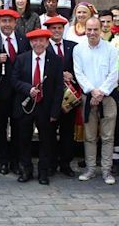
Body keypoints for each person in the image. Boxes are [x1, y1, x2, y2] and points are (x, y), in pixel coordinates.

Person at [11, 29, 63, 185]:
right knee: (24, 140)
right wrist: (28, 89)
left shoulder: (55, 60)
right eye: (35, 41)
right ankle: (26, 169)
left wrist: (55, 111)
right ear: (31, 43)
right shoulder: (22, 59)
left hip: (45, 107)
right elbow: (14, 80)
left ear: (47, 42)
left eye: (42, 40)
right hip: (26, 106)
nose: (38, 43)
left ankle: (43, 172)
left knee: (46, 141)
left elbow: (59, 88)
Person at [74, 17, 118, 185]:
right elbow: (79, 73)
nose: (92, 33)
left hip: (108, 98)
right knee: (90, 136)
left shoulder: (111, 50)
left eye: (95, 29)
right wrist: (92, 91)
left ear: (101, 30)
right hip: (88, 97)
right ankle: (91, 169)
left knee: (108, 137)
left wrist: (101, 92)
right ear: (85, 29)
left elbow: (114, 73)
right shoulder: (78, 50)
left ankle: (107, 171)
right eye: (89, 29)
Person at [0, 9, 31, 175]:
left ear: (15, 23)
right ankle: (3, 160)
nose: (7, 24)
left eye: (10, 21)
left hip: (19, 91)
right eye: (3, 21)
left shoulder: (23, 40)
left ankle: (16, 160)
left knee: (18, 126)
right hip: (0, 91)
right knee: (0, 127)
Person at [44, 16, 78, 177]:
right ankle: (50, 163)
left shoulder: (73, 47)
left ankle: (66, 163)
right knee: (49, 132)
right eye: (53, 28)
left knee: (67, 131)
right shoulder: (43, 47)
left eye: (59, 28)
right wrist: (59, 74)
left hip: (69, 98)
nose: (56, 31)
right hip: (50, 98)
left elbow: (81, 69)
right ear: (48, 31)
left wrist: (72, 76)